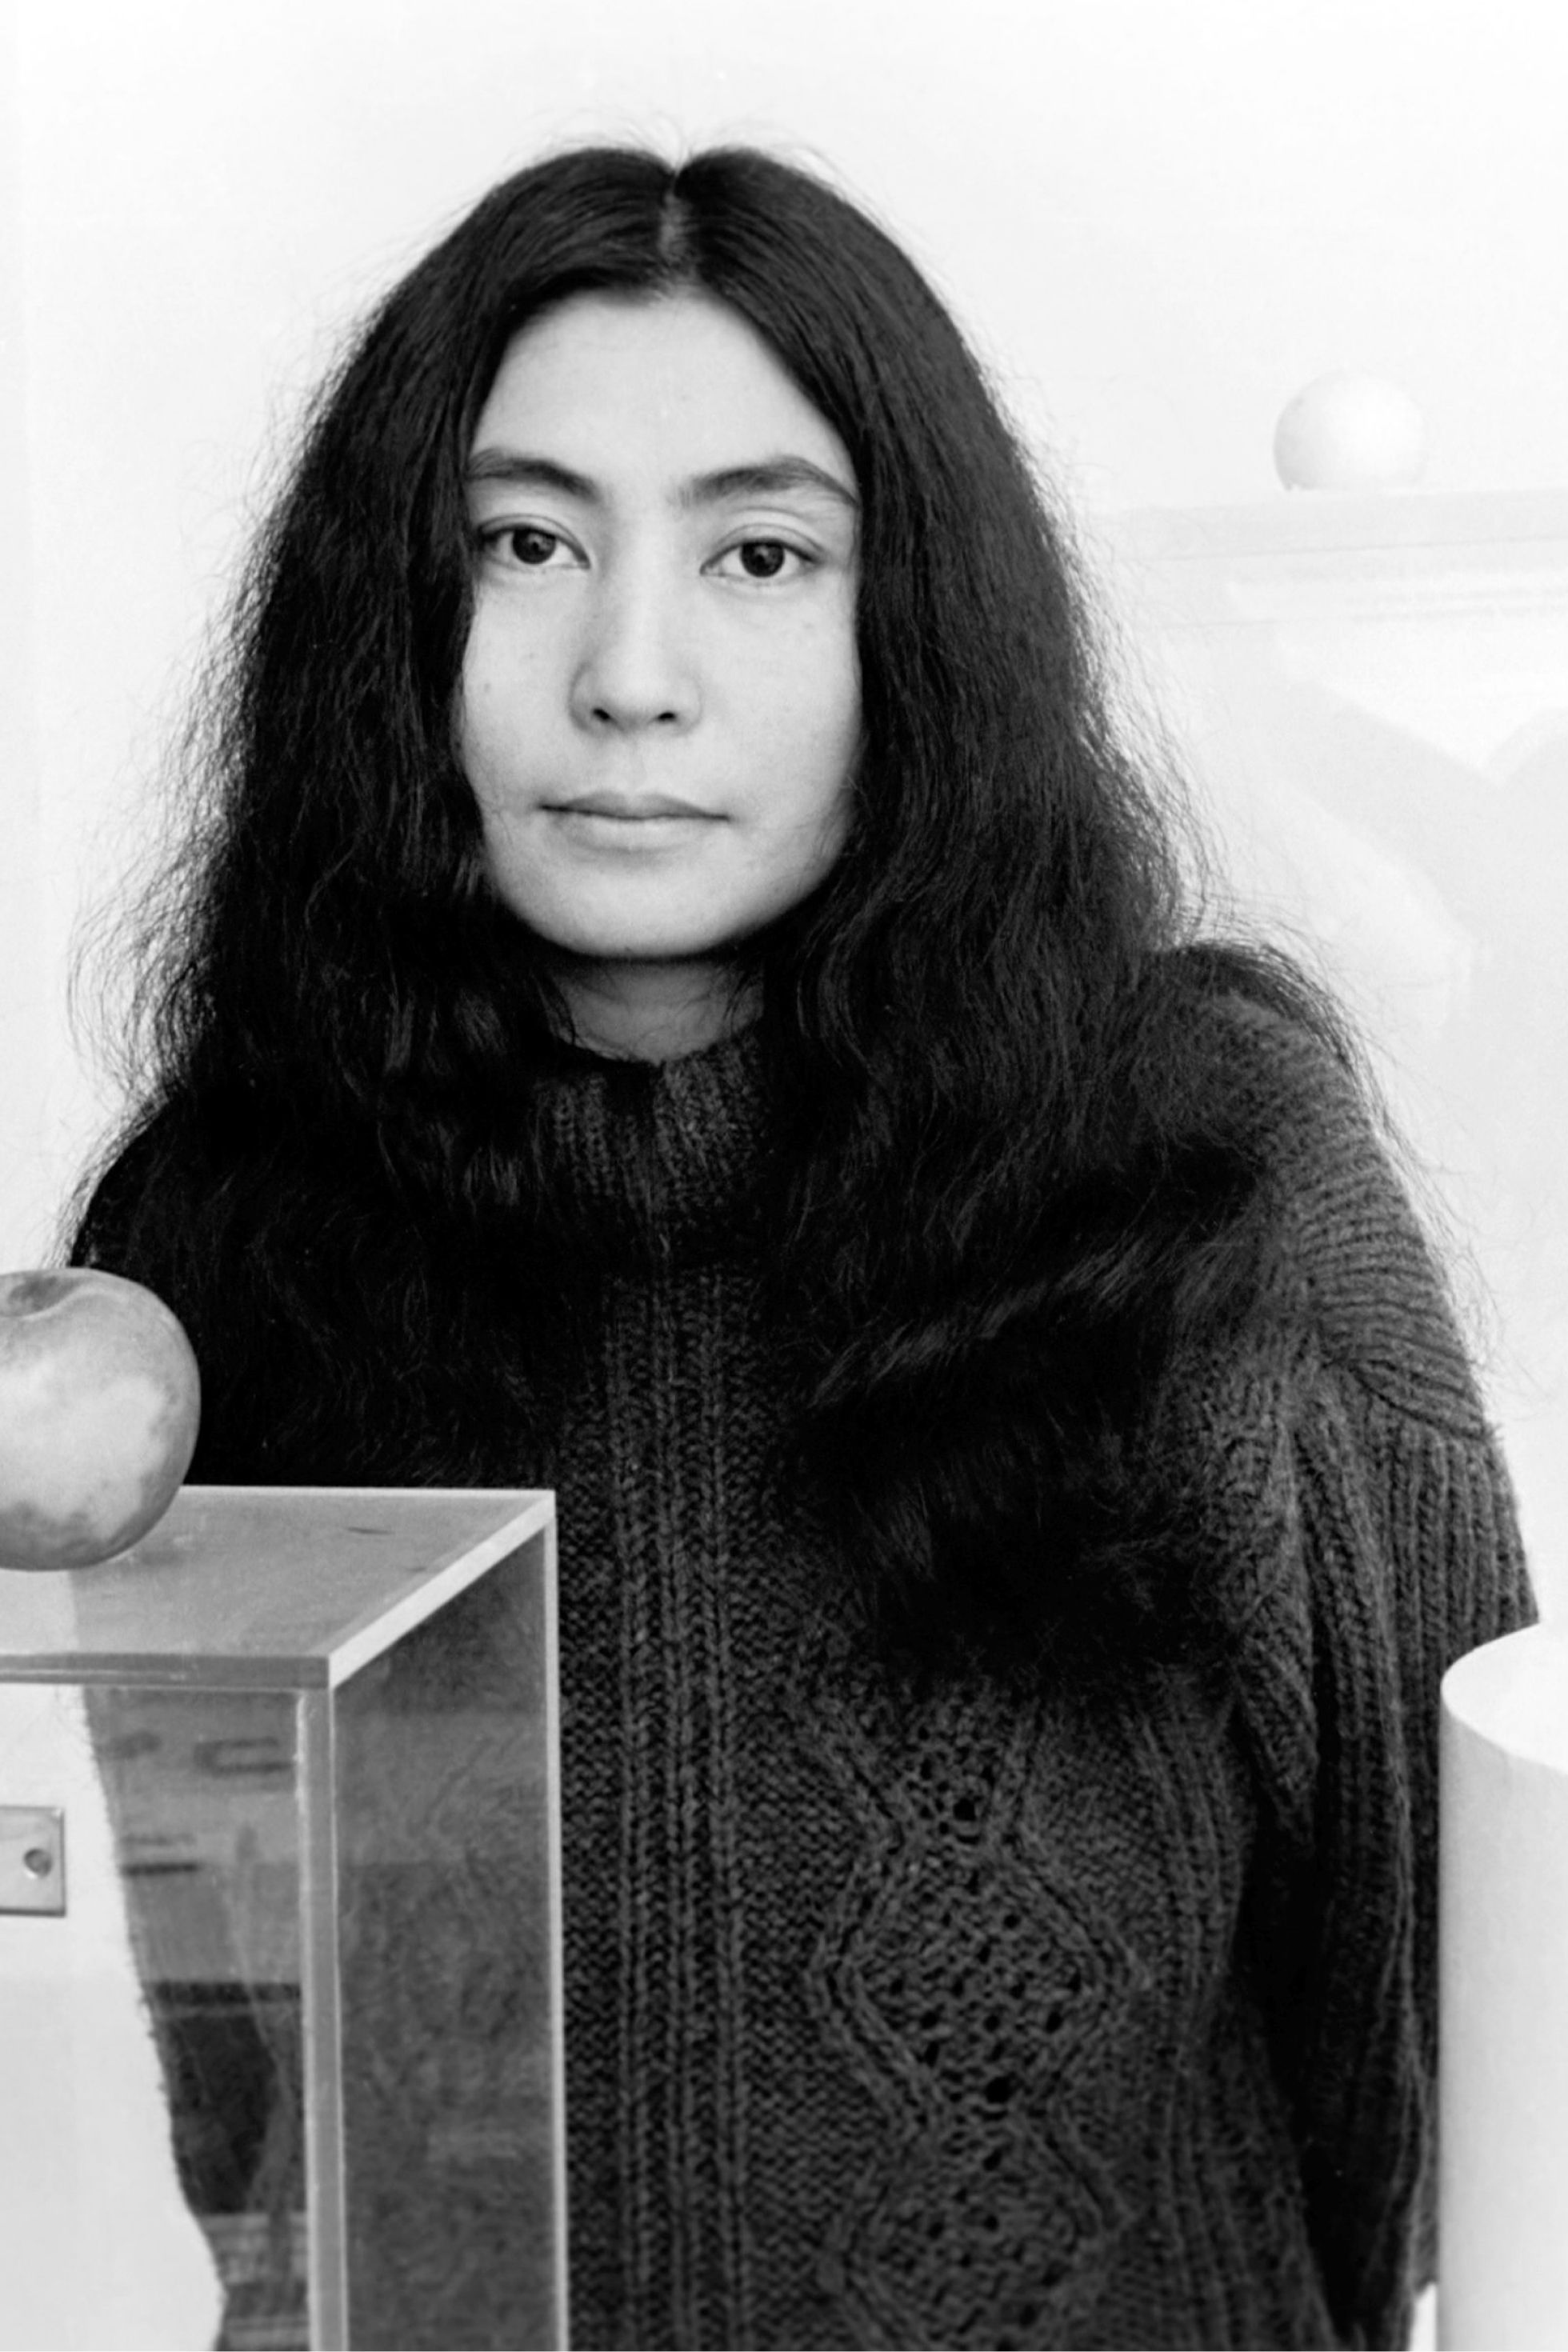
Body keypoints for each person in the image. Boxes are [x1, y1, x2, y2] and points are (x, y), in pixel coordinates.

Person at [66, 142, 1534, 2350]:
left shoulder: (1206, 1176)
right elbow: (259, 2137)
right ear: (392, 620)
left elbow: (1439, 2051)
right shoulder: (226, 1236)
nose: (628, 675)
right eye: (525, 543)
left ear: (910, 625)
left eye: (761, 553)